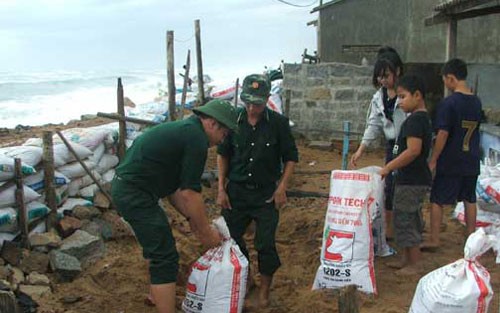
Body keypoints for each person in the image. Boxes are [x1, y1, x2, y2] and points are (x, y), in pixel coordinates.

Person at [111, 99, 238, 313]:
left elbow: (175, 190)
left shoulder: (187, 132)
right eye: (224, 134)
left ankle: (156, 294)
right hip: (135, 194)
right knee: (165, 255)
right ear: (213, 124)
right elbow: (190, 193)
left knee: (157, 245)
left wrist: (193, 221)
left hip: (134, 189)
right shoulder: (196, 139)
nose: (221, 141)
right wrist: (205, 231)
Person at [216, 74, 298, 308]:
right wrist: (221, 188)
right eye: (248, 103)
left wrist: (282, 187)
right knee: (231, 240)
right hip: (236, 193)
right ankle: (247, 278)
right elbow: (223, 155)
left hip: (266, 195)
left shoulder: (279, 124)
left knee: (265, 244)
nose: (252, 108)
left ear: (266, 100)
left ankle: (264, 290)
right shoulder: (233, 122)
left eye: (258, 104)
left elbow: (291, 158)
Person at [422, 58, 482, 251]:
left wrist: (434, 159)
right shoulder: (476, 101)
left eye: (445, 80)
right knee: (469, 198)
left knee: (437, 199)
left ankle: (434, 239)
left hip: (451, 160)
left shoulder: (449, 104)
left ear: (450, 78)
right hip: (471, 159)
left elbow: (443, 134)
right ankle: (470, 238)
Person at [379, 74, 432, 275]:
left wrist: (389, 167)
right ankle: (406, 257)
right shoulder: (419, 119)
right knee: (404, 218)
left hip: (412, 181)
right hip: (411, 180)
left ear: (417, 95)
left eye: (403, 97)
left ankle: (414, 264)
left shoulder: (416, 121)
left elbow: (413, 151)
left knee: (407, 219)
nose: (399, 102)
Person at [350, 47, 406, 238]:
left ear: (397, 72)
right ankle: (389, 228)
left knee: (407, 186)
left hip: (409, 144)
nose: (383, 80)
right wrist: (360, 150)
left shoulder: (407, 93)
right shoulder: (378, 98)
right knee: (389, 184)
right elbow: (373, 124)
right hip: (393, 146)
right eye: (380, 77)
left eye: (386, 75)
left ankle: (408, 226)